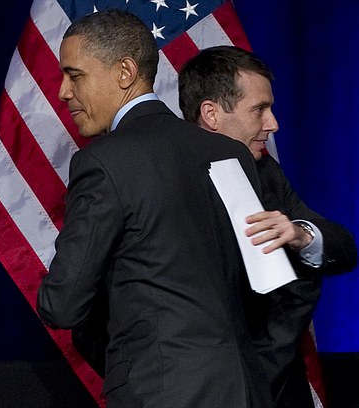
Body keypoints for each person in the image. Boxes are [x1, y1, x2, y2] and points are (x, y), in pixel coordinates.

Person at [36, 10, 274, 407]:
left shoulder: (104, 161)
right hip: (246, 388)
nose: (63, 91)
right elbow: (257, 286)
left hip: (161, 390)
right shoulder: (231, 152)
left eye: (74, 75)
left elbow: (63, 304)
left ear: (125, 71)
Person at [178, 45, 358, 408]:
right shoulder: (168, 180)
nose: (273, 123)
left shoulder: (265, 171)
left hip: (274, 387)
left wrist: (300, 234)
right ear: (211, 114)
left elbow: (343, 249)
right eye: (259, 109)